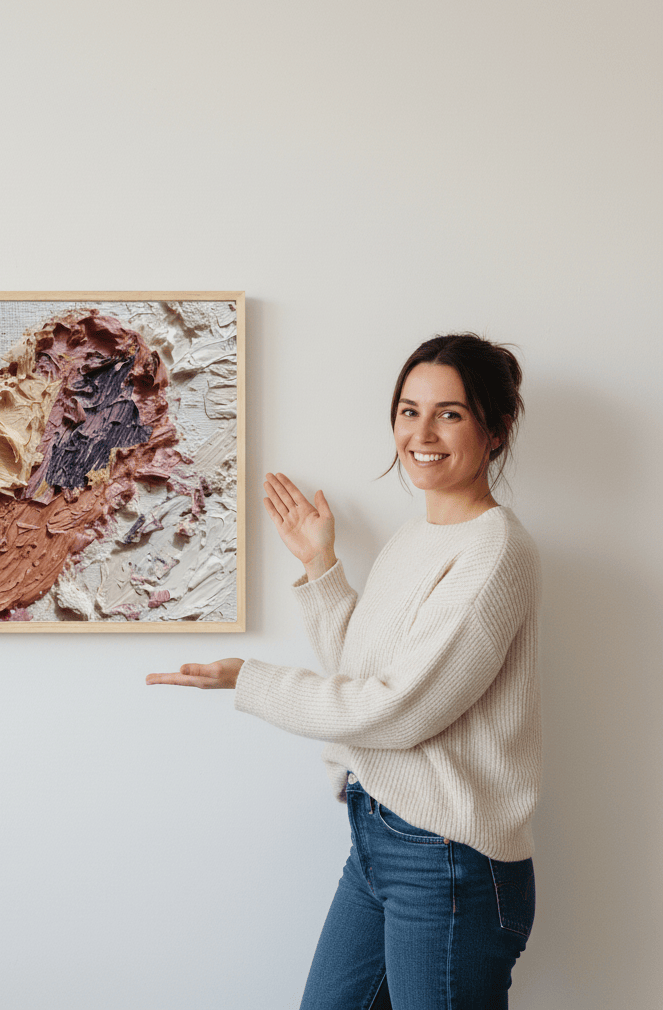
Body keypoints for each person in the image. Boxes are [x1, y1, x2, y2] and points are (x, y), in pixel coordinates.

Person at [147, 334, 541, 1009]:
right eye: (408, 410)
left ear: (496, 430)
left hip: (444, 856)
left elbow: (394, 711)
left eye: (450, 413)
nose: (421, 432)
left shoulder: (493, 553)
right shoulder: (415, 537)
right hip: (378, 835)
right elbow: (361, 671)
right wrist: (321, 565)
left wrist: (250, 679)